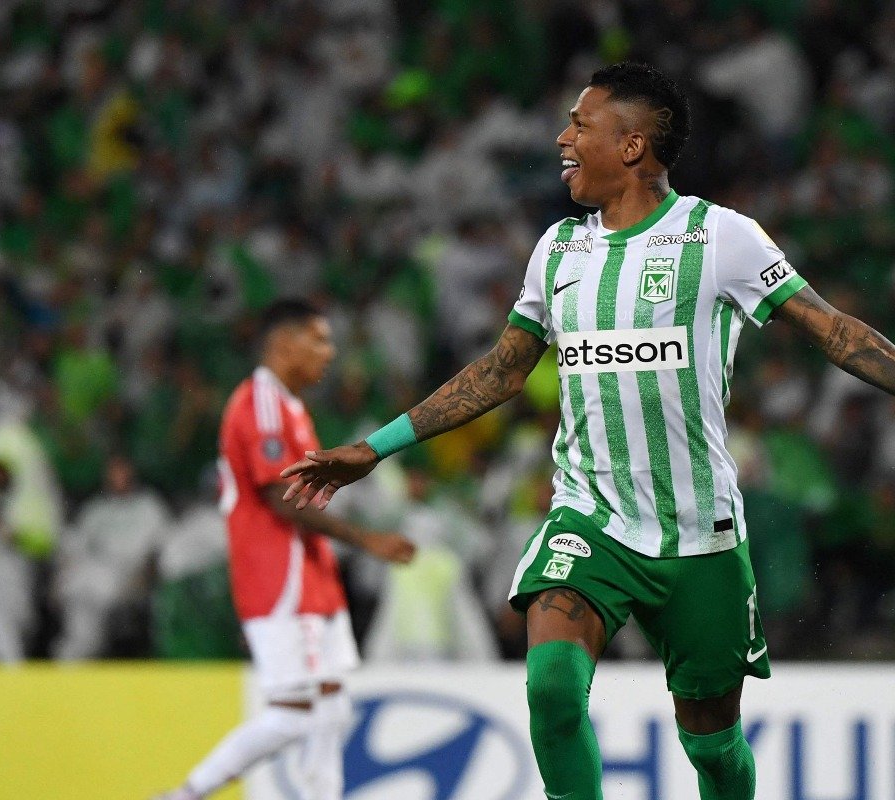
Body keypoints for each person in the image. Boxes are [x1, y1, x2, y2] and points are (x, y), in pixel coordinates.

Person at [281, 61, 895, 800]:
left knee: (714, 746)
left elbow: (832, 331)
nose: (563, 137)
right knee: (550, 688)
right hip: (591, 517)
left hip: (698, 531)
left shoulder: (721, 237)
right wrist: (373, 449)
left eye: (581, 123)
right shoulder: (559, 249)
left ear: (632, 145)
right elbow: (501, 371)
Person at [155, 299, 416, 800]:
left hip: (311, 575)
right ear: (282, 342)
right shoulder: (262, 404)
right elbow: (282, 498)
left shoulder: (291, 405)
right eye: (319, 339)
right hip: (279, 578)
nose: (330, 352)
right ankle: (184, 795)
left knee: (332, 708)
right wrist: (366, 541)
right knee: (293, 716)